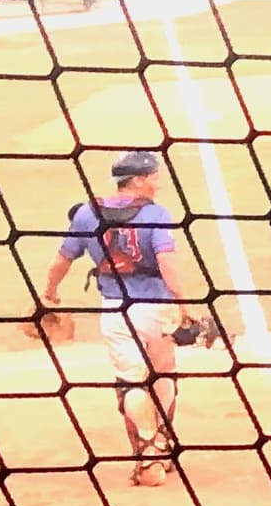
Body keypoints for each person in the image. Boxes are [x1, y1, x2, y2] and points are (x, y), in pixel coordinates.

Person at [35, 146, 214, 487]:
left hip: (117, 311)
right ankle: (161, 443)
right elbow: (168, 264)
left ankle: (148, 456)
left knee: (131, 381)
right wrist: (184, 305)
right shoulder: (156, 214)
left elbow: (61, 261)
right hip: (158, 309)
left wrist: (50, 294)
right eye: (153, 177)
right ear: (138, 180)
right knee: (163, 372)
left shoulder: (87, 214)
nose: (158, 183)